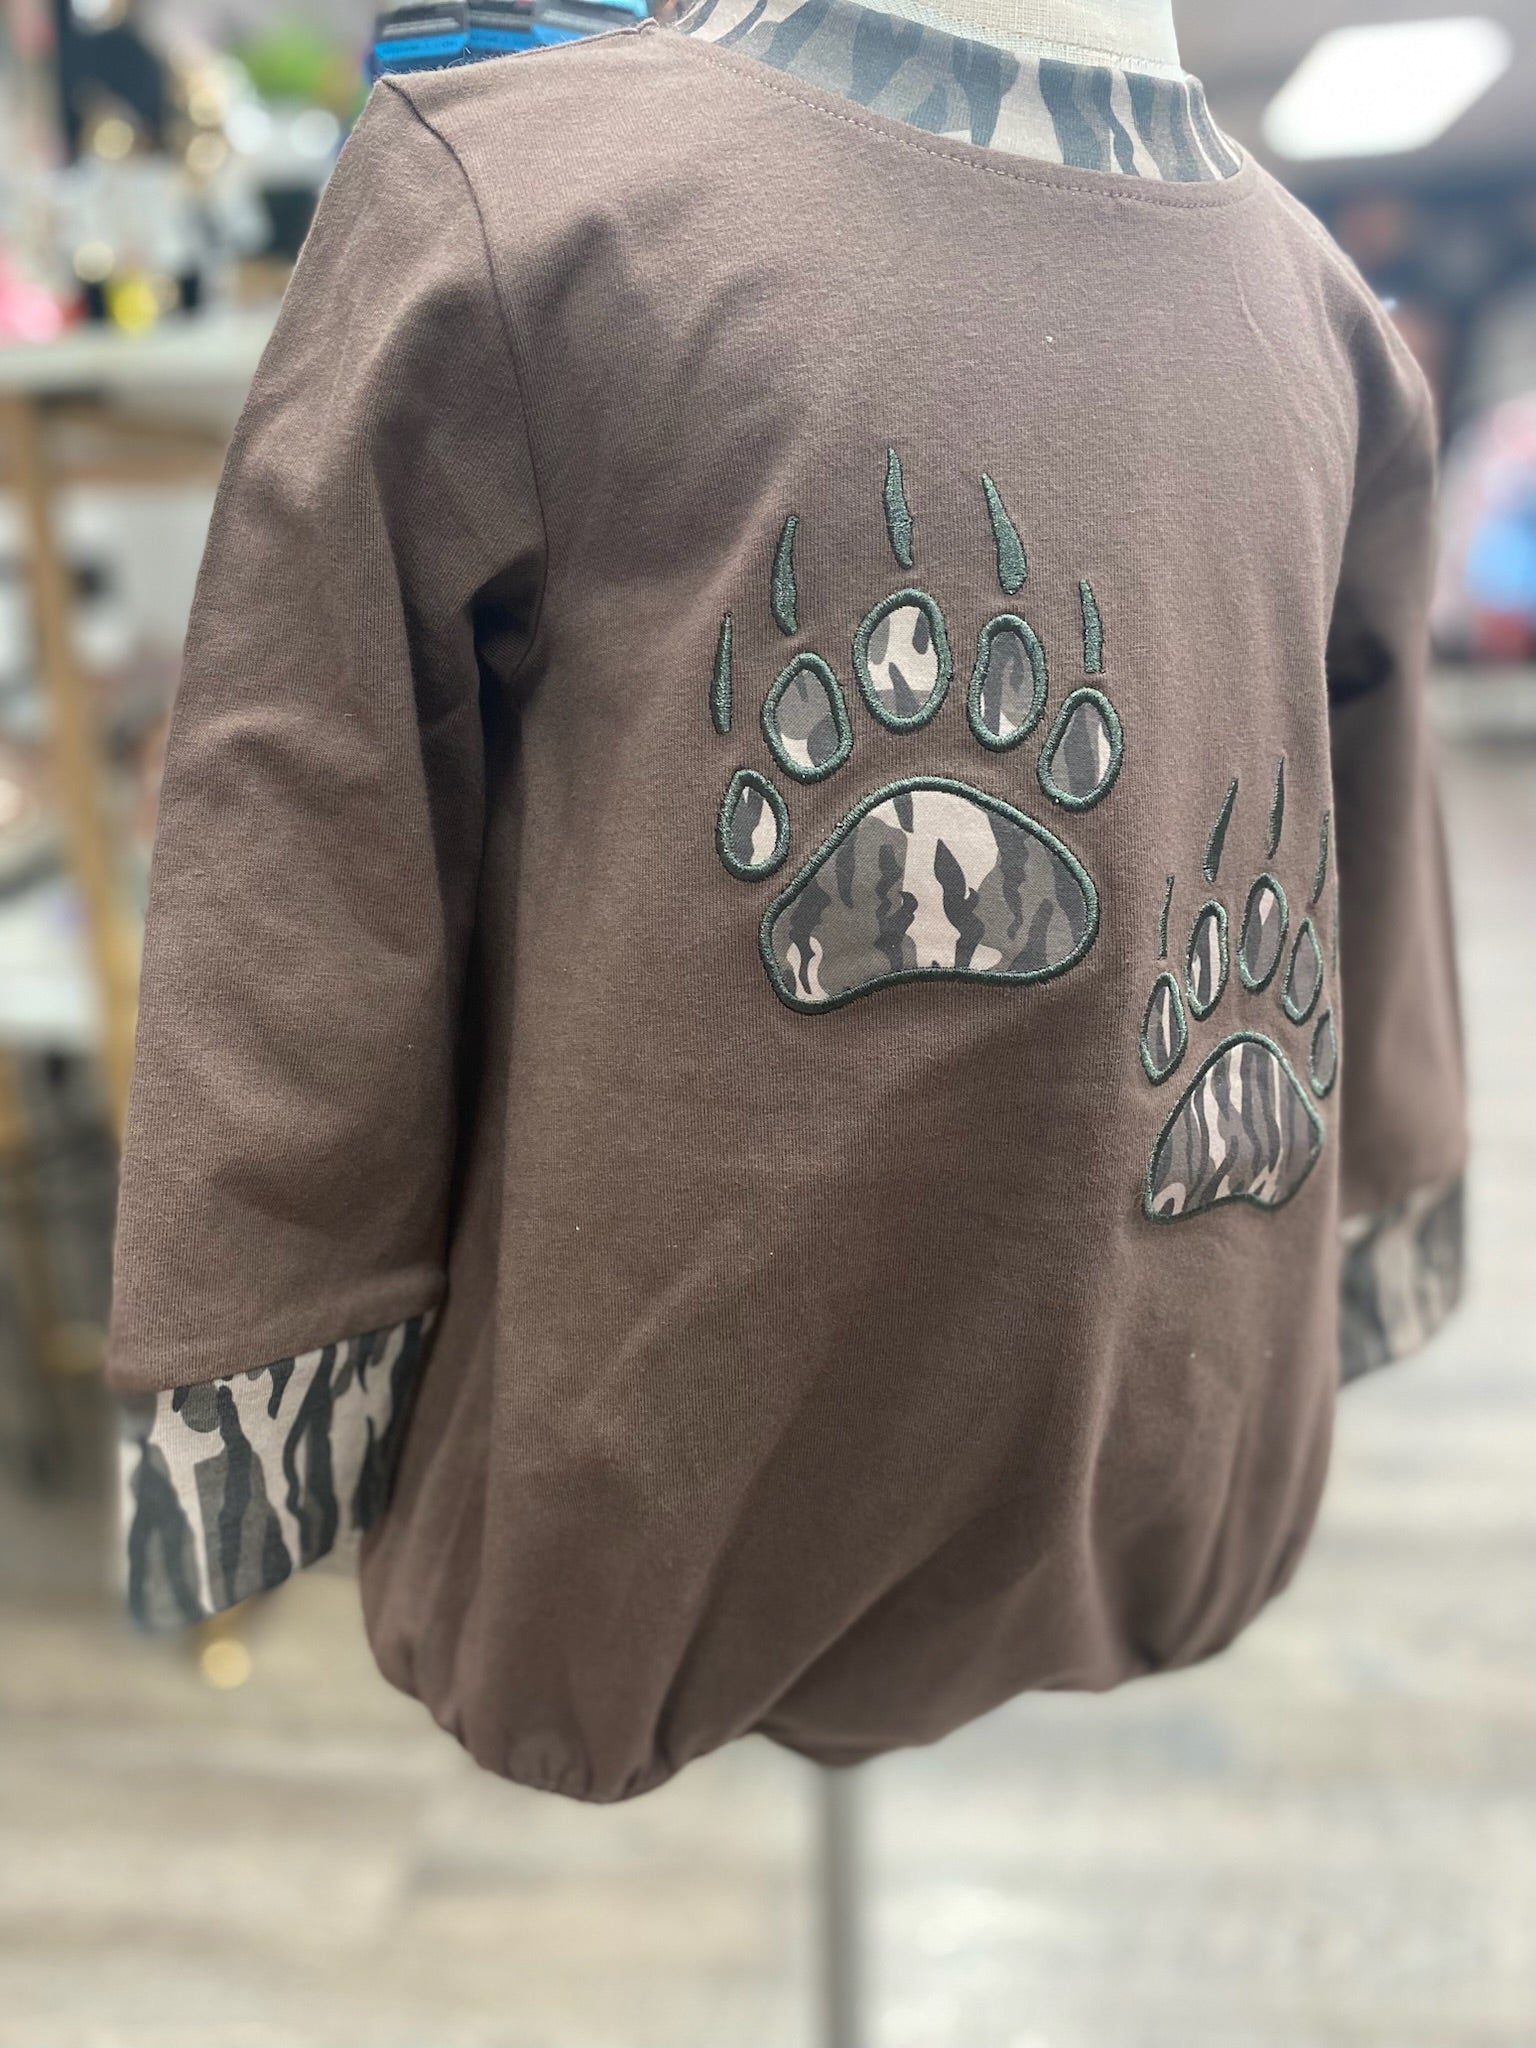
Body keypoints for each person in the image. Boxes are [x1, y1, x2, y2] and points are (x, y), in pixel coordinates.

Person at [109, 0, 1466, 1801]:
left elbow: (303, 847)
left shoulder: (534, 199)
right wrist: (1390, 1209)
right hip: (1185, 1461)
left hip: (651, 1511)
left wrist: (260, 1393)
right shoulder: (1331, 325)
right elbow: (306, 819)